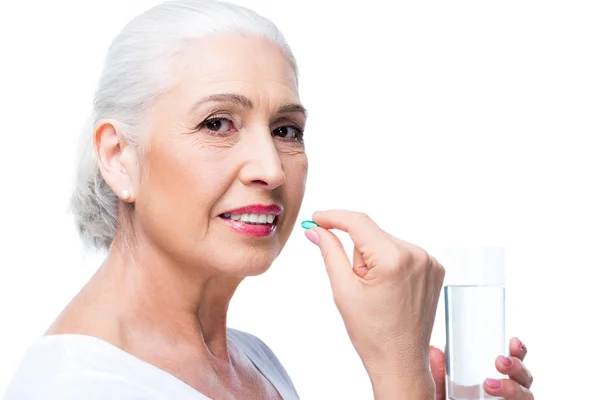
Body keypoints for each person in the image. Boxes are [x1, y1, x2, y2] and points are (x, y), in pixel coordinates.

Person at [3, 0, 534, 399]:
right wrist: (397, 371)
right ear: (120, 157)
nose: (271, 168)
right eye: (217, 123)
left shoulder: (251, 361)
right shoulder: (79, 386)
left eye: (286, 129)